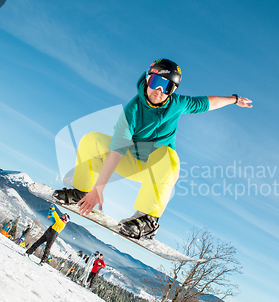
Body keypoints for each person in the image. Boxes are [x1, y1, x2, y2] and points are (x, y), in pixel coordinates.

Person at [53, 59, 252, 239]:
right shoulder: (132, 111)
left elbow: (208, 103)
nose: (159, 91)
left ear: (172, 90)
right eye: (156, 82)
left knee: (169, 155)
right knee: (92, 141)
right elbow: (117, 151)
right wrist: (98, 188)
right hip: (131, 162)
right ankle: (81, 191)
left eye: (166, 87)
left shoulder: (178, 104)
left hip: (158, 169)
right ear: (148, 79)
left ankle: (147, 219)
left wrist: (234, 99)